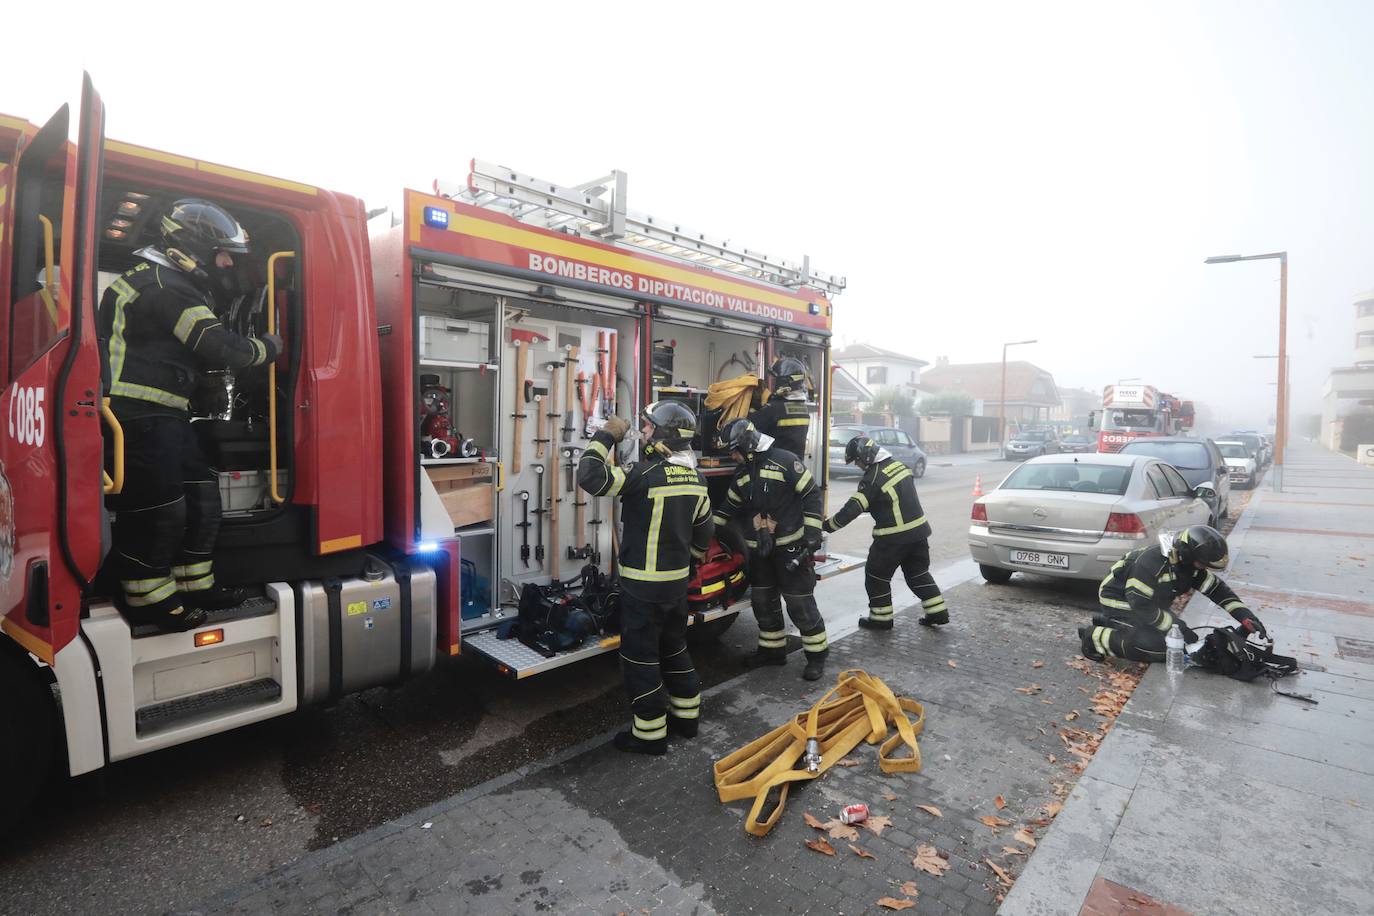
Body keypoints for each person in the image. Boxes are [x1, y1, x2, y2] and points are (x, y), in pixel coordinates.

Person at [99, 199, 282, 632]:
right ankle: (147, 600)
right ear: (191, 247)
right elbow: (221, 347)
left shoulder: (169, 282)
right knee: (158, 511)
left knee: (201, 496)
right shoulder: (164, 284)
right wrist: (273, 347)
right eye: (221, 254)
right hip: (136, 417)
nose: (223, 264)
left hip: (165, 416)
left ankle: (195, 585)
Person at [577, 401, 713, 755]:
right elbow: (703, 535)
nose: (645, 432)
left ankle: (650, 735)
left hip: (641, 589)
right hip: (675, 588)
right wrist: (686, 564)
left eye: (650, 427)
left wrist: (605, 435)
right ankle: (687, 720)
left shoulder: (643, 475)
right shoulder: (698, 481)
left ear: (664, 434)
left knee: (641, 659)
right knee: (675, 649)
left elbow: (591, 477)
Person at [714, 418, 829, 680]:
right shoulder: (743, 474)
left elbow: (811, 494)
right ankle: (772, 652)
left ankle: (817, 656)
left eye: (734, 450)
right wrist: (704, 530)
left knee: (799, 604)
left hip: (791, 547)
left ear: (748, 446)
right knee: (763, 602)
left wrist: (812, 534)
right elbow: (728, 508)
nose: (732, 456)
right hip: (760, 552)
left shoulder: (786, 462)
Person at [1079, 525, 1265, 663]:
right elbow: (1141, 607)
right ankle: (1092, 637)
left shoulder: (1187, 567)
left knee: (1177, 639)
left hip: (1148, 604)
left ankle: (1108, 623)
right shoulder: (1151, 564)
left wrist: (1245, 616)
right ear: (1188, 556)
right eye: (1202, 564)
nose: (1204, 569)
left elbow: (1218, 590)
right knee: (1159, 646)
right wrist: (1178, 627)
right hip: (1120, 601)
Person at [823, 435, 947, 630]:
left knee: (876, 576)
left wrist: (826, 526)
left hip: (893, 538)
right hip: (919, 533)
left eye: (858, 461)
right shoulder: (897, 465)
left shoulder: (872, 478)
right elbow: (890, 497)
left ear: (866, 457)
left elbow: (852, 509)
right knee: (917, 573)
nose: (858, 465)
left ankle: (881, 620)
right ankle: (937, 612)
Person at [747, 356, 812, 458]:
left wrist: (752, 405)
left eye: (776, 380)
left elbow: (747, 426)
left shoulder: (775, 409)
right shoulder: (804, 409)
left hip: (775, 466)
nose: (773, 384)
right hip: (794, 465)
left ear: (785, 382)